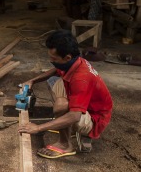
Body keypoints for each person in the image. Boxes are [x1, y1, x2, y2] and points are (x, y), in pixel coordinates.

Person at [17, 30, 112, 158]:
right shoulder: (75, 61)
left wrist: (38, 128)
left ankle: (65, 144)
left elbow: (74, 116)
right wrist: (33, 80)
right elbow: (57, 69)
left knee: (61, 105)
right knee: (54, 81)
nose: (51, 60)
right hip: (86, 103)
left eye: (54, 58)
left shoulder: (81, 78)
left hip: (95, 119)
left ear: (67, 57)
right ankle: (65, 125)